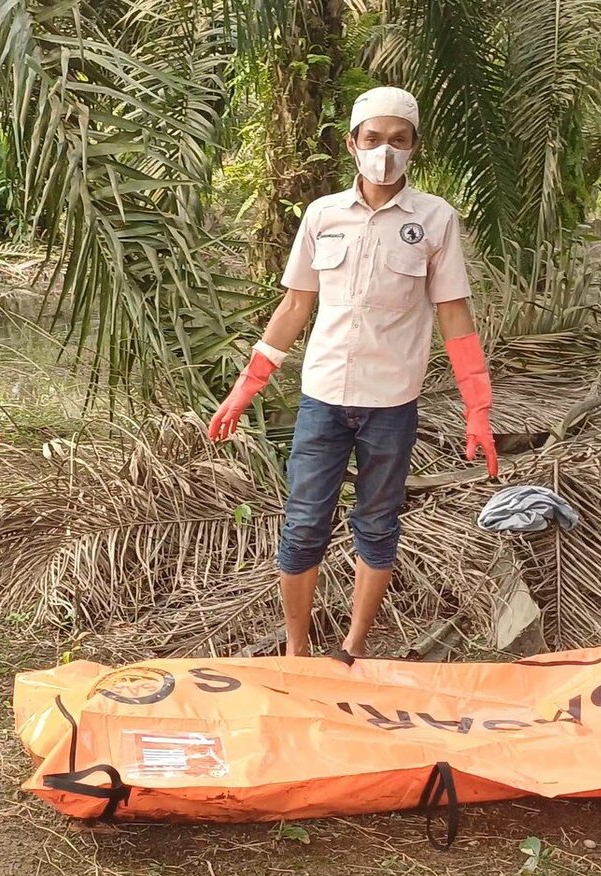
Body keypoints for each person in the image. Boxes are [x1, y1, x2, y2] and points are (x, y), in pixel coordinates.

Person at [208, 86, 498, 659]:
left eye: (397, 140)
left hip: (391, 403)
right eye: (373, 139)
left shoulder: (435, 220)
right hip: (322, 397)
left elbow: (455, 314)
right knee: (304, 524)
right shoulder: (324, 215)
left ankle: (352, 647)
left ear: (414, 147)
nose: (384, 152)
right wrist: (247, 386)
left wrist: (478, 406)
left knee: (377, 524)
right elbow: (295, 305)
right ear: (352, 144)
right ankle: (296, 648)